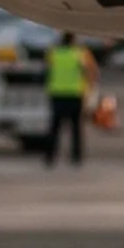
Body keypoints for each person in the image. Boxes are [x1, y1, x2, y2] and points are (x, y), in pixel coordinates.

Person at [44, 31, 97, 165]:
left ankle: (50, 156)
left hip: (57, 93)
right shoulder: (80, 53)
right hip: (74, 94)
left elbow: (47, 69)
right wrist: (90, 89)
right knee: (76, 128)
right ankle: (76, 157)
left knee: (54, 128)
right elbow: (91, 71)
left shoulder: (54, 53)